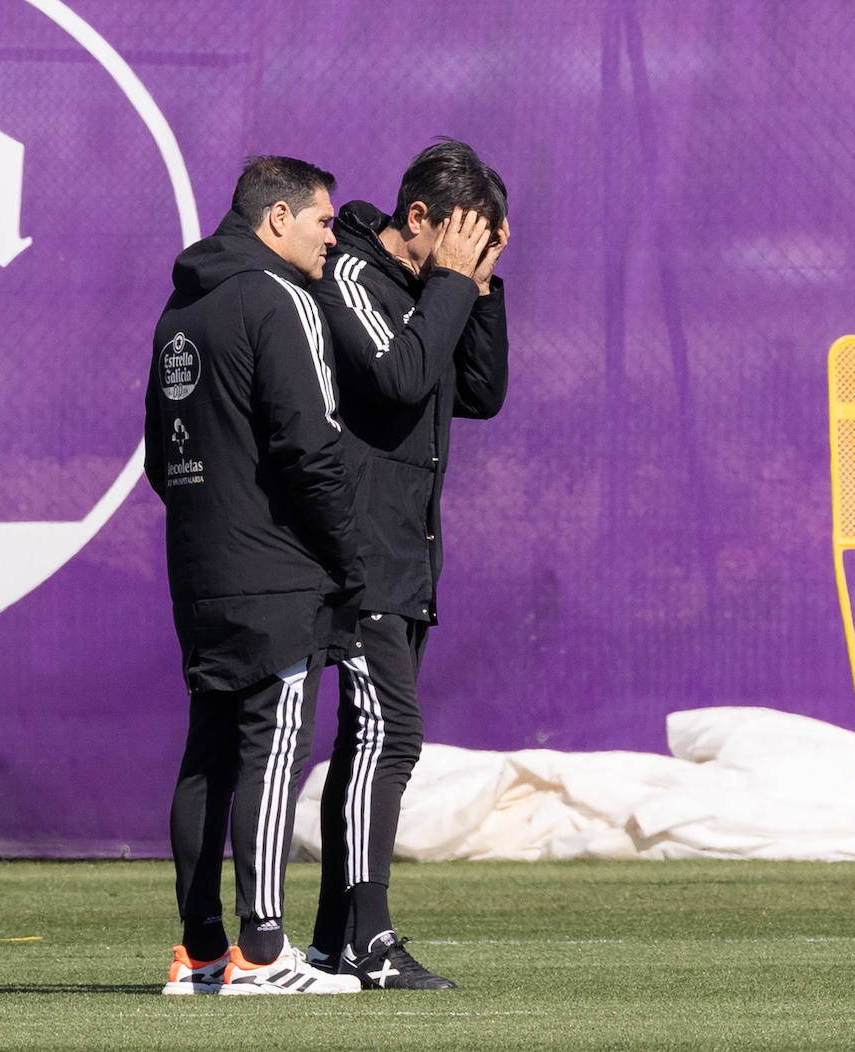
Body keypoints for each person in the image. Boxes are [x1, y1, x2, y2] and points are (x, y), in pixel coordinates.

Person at [144, 156, 364, 996]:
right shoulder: (281, 299)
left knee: (208, 755)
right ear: (277, 218)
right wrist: (349, 559)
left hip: (199, 569)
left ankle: (200, 952)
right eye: (322, 220)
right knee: (271, 752)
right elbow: (312, 449)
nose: (331, 235)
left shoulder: (180, 307)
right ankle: (265, 953)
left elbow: (164, 463)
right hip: (273, 572)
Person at [307, 140, 510, 989]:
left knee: (369, 741)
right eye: (466, 240)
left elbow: (479, 391)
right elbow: (399, 377)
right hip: (357, 554)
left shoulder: (438, 292)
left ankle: (332, 940)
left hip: (408, 554)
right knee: (392, 734)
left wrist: (481, 288)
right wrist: (453, 288)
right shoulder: (352, 276)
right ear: (418, 218)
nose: (470, 261)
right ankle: (369, 939)